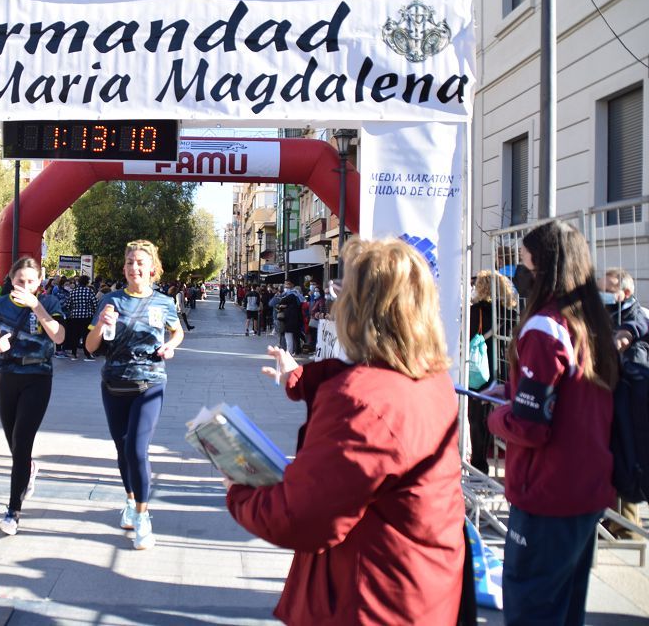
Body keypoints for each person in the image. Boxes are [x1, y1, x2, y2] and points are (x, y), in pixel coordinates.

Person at [226, 238, 464, 624]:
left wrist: (238, 488)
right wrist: (300, 378)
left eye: (344, 292)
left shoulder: (362, 400)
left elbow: (303, 516)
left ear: (360, 308)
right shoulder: (430, 379)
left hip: (367, 600)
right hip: (419, 588)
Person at [487, 220, 619, 626]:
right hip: (587, 491)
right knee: (566, 612)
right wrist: (515, 396)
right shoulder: (590, 324)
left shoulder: (544, 328)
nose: (518, 274)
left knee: (533, 610)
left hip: (546, 495)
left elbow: (530, 426)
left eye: (524, 264)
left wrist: (497, 416)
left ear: (545, 269)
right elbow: (567, 401)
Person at [86, 240, 184, 551]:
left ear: (152, 268)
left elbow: (177, 330)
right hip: (114, 383)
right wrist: (101, 325)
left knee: (137, 450)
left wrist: (171, 345)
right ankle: (130, 501)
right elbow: (90, 347)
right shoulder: (110, 300)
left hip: (150, 382)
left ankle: (143, 517)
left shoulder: (164, 302)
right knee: (122, 448)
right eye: (129, 262)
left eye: (140, 262)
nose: (134, 268)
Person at [0, 257, 65, 536]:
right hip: (7, 377)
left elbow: (60, 336)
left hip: (38, 377)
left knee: (22, 442)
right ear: (11, 281)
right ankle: (29, 469)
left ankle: (13, 511)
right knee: (14, 443)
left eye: (30, 282)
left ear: (39, 282)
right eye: (19, 281)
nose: (24, 286)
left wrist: (36, 306)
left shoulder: (48, 303)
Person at [599, 267, 648, 540]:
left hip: (628, 406)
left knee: (627, 462)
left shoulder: (635, 315)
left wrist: (621, 338)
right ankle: (608, 522)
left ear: (625, 293)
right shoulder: (605, 315)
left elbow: (634, 329)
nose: (602, 295)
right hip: (608, 401)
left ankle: (628, 528)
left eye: (607, 290)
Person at [467, 269, 518, 474]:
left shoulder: (475, 311)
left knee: (478, 417)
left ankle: (479, 464)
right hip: (505, 370)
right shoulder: (511, 313)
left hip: (481, 370)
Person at [65, 275, 97, 361]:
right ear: (87, 282)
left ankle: (74, 353)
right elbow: (95, 304)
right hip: (87, 316)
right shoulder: (89, 291)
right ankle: (87, 354)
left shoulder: (73, 292)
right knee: (86, 335)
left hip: (75, 316)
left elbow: (67, 305)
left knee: (75, 335)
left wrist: (74, 310)